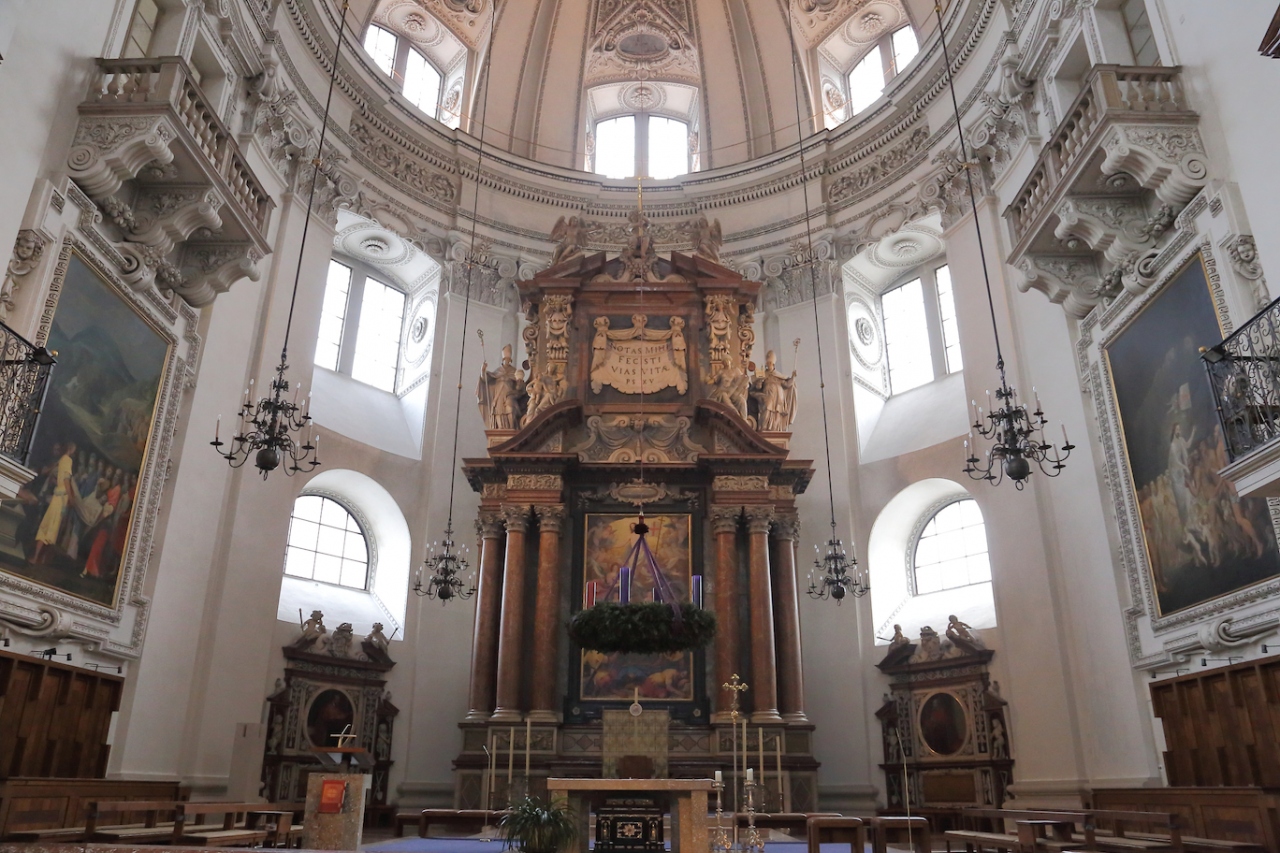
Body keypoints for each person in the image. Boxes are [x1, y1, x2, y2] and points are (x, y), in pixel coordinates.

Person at [34, 442, 75, 564]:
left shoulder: (61, 460)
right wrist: (71, 498)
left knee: (48, 526)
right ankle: (41, 558)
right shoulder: (67, 460)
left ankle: (37, 557)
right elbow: (66, 480)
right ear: (71, 449)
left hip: (57, 496)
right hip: (61, 498)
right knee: (53, 528)